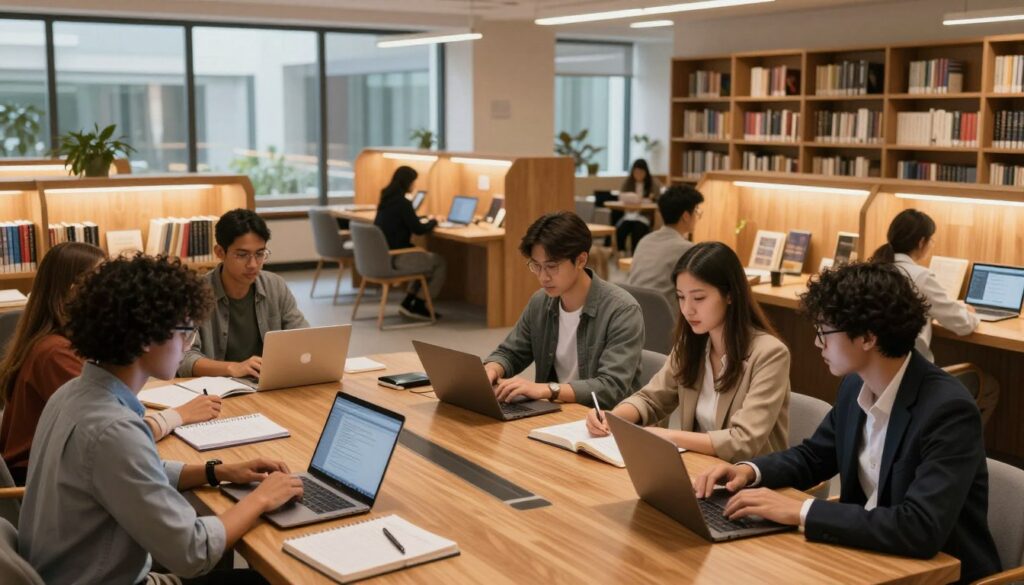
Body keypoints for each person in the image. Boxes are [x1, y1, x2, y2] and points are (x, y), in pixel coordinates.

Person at [695, 262, 1001, 584]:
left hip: (936, 573)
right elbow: (814, 456)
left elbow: (919, 527)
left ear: (868, 337)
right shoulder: (856, 385)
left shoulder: (947, 410)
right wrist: (748, 471)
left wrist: (799, 511)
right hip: (867, 556)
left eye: (824, 332)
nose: (817, 344)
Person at [18, 254, 304, 585]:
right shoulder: (113, 429)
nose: (188, 345)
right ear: (144, 337)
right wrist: (262, 498)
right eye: (184, 331)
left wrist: (216, 471)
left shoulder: (72, 394)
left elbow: (134, 470)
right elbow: (192, 552)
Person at [0, 243, 219, 486]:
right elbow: (113, 433)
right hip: (40, 479)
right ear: (75, 291)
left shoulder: (61, 343)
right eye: (102, 280)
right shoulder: (55, 353)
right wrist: (180, 415)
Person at [587, 242, 790, 461]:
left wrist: (668, 437)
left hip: (750, 482)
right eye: (681, 297)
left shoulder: (770, 354)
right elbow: (651, 398)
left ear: (730, 295)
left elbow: (743, 441)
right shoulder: (692, 344)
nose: (687, 309)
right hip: (700, 470)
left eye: (699, 298)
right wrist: (612, 417)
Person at [484, 211, 644, 408]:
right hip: (556, 413)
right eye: (536, 266)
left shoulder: (622, 310)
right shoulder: (540, 302)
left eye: (552, 266)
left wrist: (546, 389)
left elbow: (611, 387)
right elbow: (511, 353)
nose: (543, 277)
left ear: (581, 260)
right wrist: (492, 369)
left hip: (604, 421)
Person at [178, 208, 309, 378]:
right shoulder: (193, 293)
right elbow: (183, 358)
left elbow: (303, 338)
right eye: (242, 255)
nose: (253, 264)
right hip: (216, 390)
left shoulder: (275, 285)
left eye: (260, 254)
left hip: (267, 384)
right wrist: (232, 368)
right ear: (220, 252)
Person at [870, 209, 979, 362]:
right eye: (931, 240)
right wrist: (971, 313)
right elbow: (962, 324)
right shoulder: (920, 277)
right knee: (989, 383)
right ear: (921, 242)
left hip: (875, 366)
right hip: (909, 371)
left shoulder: (875, 268)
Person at [373, 165, 447, 320]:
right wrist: (434, 221)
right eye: (413, 182)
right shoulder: (403, 203)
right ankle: (420, 304)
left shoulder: (386, 199)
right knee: (438, 262)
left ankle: (408, 302)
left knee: (424, 259)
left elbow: (407, 222)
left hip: (382, 257)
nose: (414, 186)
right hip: (397, 258)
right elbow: (418, 230)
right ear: (406, 183)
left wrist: (421, 219)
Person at [625, 184, 705, 307]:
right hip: (666, 320)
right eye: (696, 211)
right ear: (686, 216)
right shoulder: (687, 250)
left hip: (634, 316)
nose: (697, 217)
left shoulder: (645, 240)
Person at [616, 159, 663, 254]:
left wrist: (650, 199)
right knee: (621, 229)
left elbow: (658, 199)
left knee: (638, 230)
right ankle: (621, 252)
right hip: (629, 215)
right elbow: (621, 196)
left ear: (646, 172)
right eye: (636, 172)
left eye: (641, 172)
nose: (638, 175)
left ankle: (635, 254)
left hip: (644, 216)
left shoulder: (653, 183)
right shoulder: (628, 182)